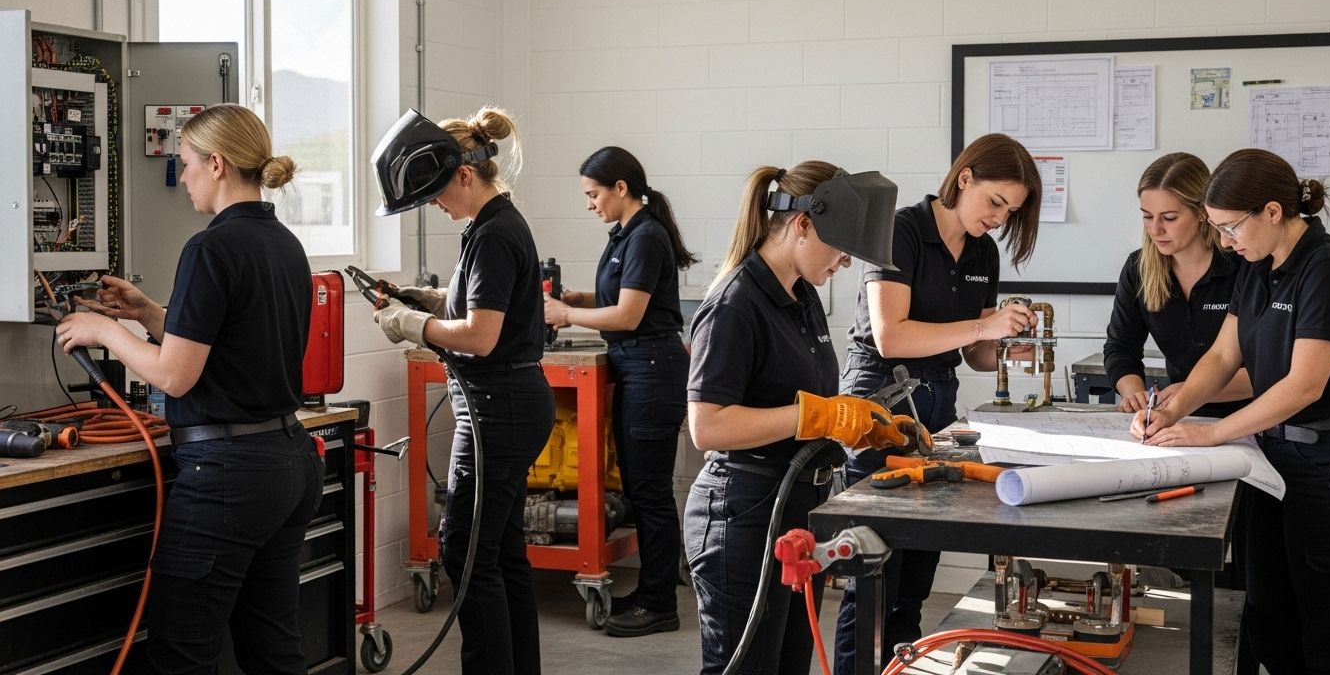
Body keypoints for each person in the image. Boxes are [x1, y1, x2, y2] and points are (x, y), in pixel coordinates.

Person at [57, 103, 322, 673]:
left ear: (218, 163)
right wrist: (151, 313)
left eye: (185, 164)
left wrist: (104, 329)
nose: (183, 181)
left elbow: (177, 374)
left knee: (182, 652)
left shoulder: (209, 248)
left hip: (228, 475)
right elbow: (231, 339)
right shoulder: (283, 244)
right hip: (287, 461)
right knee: (273, 649)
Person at [1137, 149, 1330, 674]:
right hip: (1275, 464)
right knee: (1270, 627)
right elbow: (1223, 356)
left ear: (1272, 212)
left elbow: (1302, 385)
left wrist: (1212, 435)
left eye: (1231, 228)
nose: (1226, 242)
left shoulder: (1328, 266)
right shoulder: (1258, 266)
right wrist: (1173, 408)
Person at [684, 161, 926, 675]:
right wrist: (813, 416)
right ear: (802, 224)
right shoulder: (733, 304)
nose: (845, 262)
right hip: (743, 515)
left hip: (798, 510)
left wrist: (868, 423)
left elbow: (813, 406)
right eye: (841, 248)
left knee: (790, 664)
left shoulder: (802, 297)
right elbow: (708, 427)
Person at [832, 132, 1042, 674]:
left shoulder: (982, 251)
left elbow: (973, 354)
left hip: (937, 405)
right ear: (964, 177)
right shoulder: (899, 230)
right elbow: (891, 338)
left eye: (1010, 211)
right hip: (879, 400)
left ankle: (900, 666)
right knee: (874, 568)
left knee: (918, 568)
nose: (998, 218)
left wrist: (1007, 349)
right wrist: (981, 325)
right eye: (995, 202)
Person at [369, 107, 554, 674]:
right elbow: (477, 303)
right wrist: (422, 300)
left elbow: (480, 334)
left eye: (434, 196)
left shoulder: (494, 232)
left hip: (498, 409)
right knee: (498, 552)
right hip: (508, 405)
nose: (434, 207)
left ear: (465, 175)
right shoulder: (491, 225)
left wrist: (411, 326)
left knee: (465, 554)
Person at [543, 146, 696, 637]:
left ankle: (659, 605)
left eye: (593, 194)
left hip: (651, 368)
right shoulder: (627, 234)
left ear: (621, 188)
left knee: (650, 494)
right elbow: (619, 299)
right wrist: (576, 299)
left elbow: (628, 316)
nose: (590, 204)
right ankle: (651, 593)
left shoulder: (646, 236)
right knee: (640, 488)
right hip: (638, 366)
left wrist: (565, 316)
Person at [1105, 152, 1253, 415]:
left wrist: (1190, 391)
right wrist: (1133, 394)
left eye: (1169, 218)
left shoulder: (1245, 263)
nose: (1155, 230)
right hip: (1180, 416)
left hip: (1252, 420)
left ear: (1202, 213)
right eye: (1147, 216)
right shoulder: (1138, 268)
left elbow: (1271, 372)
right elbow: (1121, 348)